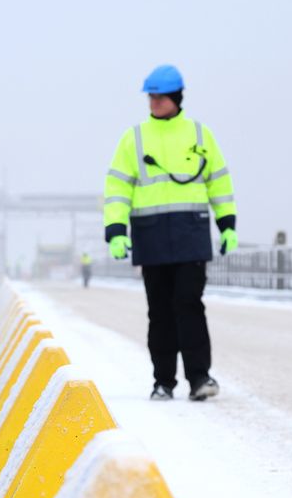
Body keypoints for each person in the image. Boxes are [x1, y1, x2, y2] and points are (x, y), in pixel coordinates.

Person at [102, 64, 237, 402]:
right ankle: (163, 382)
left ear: (177, 97)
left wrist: (227, 224)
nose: (154, 102)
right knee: (159, 312)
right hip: (151, 237)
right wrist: (116, 229)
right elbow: (117, 187)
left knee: (189, 305)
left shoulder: (200, 135)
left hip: (191, 235)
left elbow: (218, 182)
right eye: (151, 97)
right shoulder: (134, 138)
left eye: (160, 97)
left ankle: (199, 378)